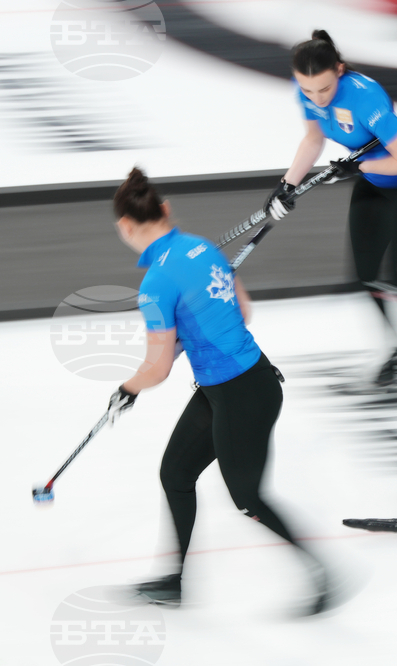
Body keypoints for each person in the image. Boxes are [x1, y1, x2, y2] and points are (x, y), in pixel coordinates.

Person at [110, 167, 331, 612]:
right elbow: (242, 312)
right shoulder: (202, 247)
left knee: (247, 499)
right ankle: (174, 583)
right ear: (165, 210)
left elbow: (156, 369)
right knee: (176, 475)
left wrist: (127, 389)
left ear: (126, 227)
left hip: (240, 394)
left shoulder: (155, 284)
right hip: (238, 385)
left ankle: (321, 573)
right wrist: (189, 336)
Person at [263, 29, 397, 389]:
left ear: (339, 70)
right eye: (307, 91)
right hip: (373, 184)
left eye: (324, 89)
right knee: (365, 275)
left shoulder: (365, 98)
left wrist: (358, 167)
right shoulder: (308, 89)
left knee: (395, 274)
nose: (317, 98)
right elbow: (313, 138)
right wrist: (286, 185)